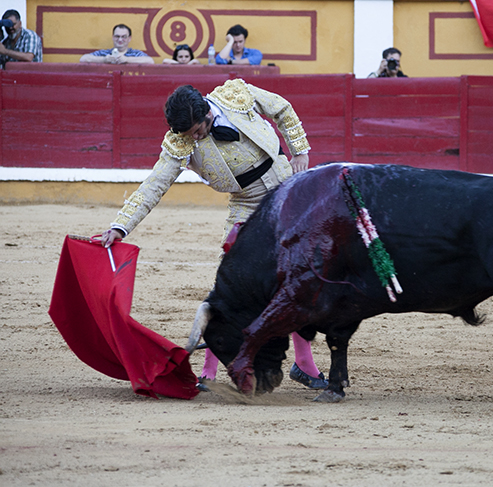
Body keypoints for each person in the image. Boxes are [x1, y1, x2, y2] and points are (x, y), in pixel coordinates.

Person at [99, 79, 327, 390]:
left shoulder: (236, 94)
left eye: (197, 130)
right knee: (232, 286)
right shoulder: (181, 143)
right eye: (189, 134)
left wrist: (299, 150)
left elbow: (282, 108)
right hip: (246, 204)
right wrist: (120, 225)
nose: (195, 137)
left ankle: (304, 364)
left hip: (288, 189)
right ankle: (209, 369)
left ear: (207, 112)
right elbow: (154, 185)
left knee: (300, 275)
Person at [79, 24, 154, 65]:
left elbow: (150, 61)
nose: (120, 39)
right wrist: (104, 59)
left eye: (124, 37)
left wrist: (127, 59)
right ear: (113, 37)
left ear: (129, 38)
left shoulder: (136, 54)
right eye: (117, 36)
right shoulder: (104, 53)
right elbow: (83, 59)